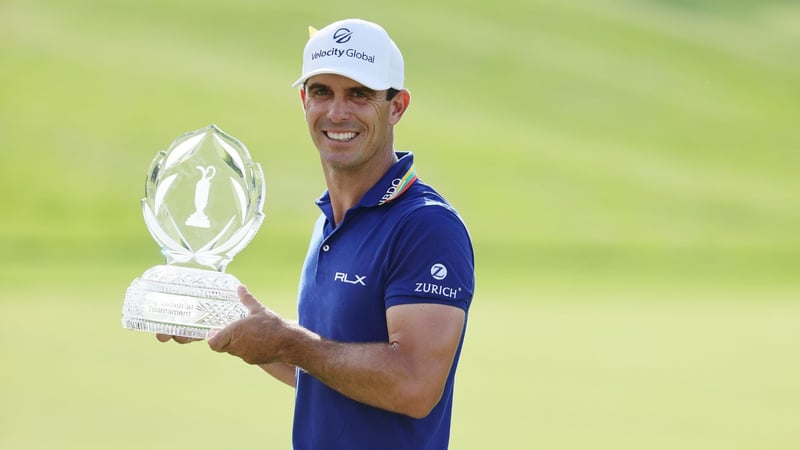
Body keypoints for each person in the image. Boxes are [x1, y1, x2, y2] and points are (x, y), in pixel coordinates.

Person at [158, 18, 475, 450]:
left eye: (359, 95)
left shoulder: (425, 226)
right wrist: (228, 321)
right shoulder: (330, 219)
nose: (337, 112)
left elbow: (414, 386)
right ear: (303, 100)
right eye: (322, 91)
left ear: (397, 106)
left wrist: (287, 340)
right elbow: (326, 374)